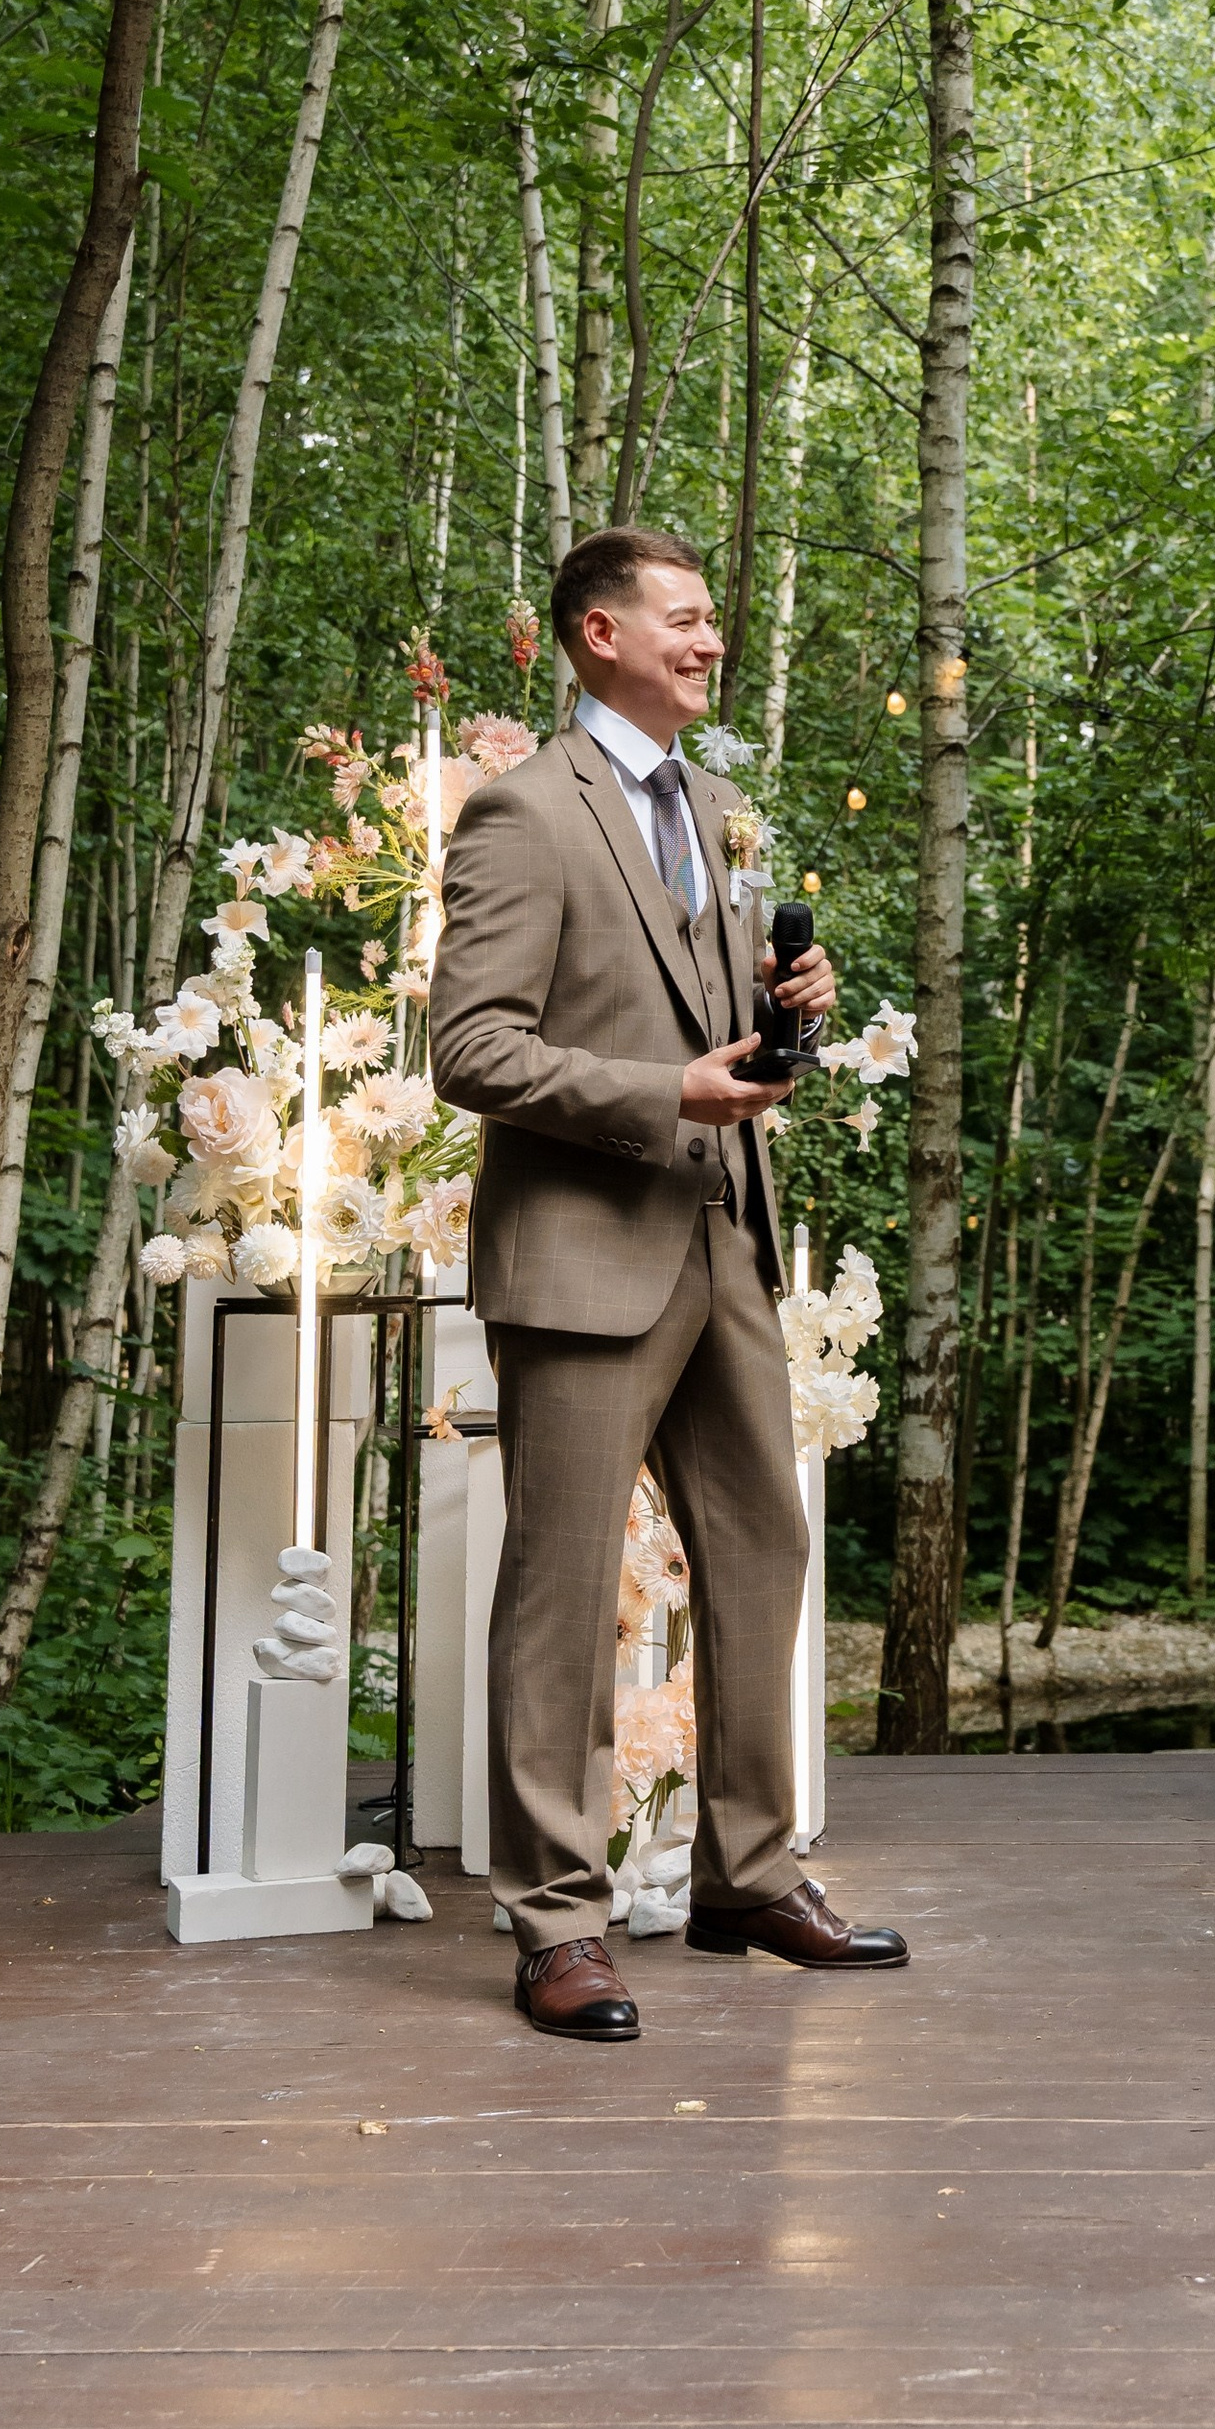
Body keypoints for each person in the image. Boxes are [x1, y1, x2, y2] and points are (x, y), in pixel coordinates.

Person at [431, 525, 907, 2038]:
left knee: (764, 1550)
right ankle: (556, 1923)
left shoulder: (716, 807)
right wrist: (664, 1095)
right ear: (597, 636)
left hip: (727, 1238)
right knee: (561, 1592)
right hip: (583, 1254)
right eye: (686, 622)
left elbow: (716, 1024)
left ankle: (747, 1877)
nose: (712, 643)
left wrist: (791, 1013)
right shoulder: (522, 815)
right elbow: (469, 1048)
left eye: (714, 623)